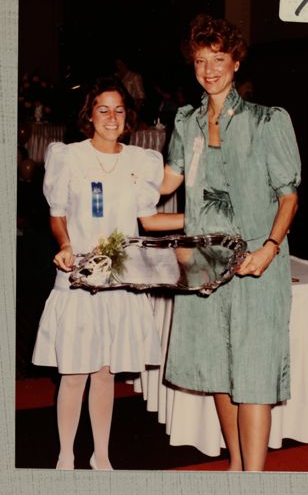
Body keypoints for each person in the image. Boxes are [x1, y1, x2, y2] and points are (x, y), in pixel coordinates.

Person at [160, 14, 301, 471]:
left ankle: (254, 478)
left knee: (255, 371)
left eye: (218, 58)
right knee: (218, 370)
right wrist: (113, 166)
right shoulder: (187, 120)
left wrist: (270, 249)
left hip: (258, 261)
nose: (209, 69)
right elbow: (167, 183)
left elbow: (289, 197)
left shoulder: (268, 120)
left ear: (236, 61)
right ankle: (237, 469)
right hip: (205, 260)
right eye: (201, 60)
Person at [32, 76, 183, 470]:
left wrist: (201, 216)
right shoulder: (68, 156)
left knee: (104, 372)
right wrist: (65, 245)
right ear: (89, 115)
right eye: (103, 109)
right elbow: (57, 216)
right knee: (74, 372)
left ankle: (102, 455)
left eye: (119, 109)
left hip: (121, 280)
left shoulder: (140, 161)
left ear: (127, 116)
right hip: (80, 276)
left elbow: (149, 219)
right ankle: (66, 455)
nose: (111, 117)